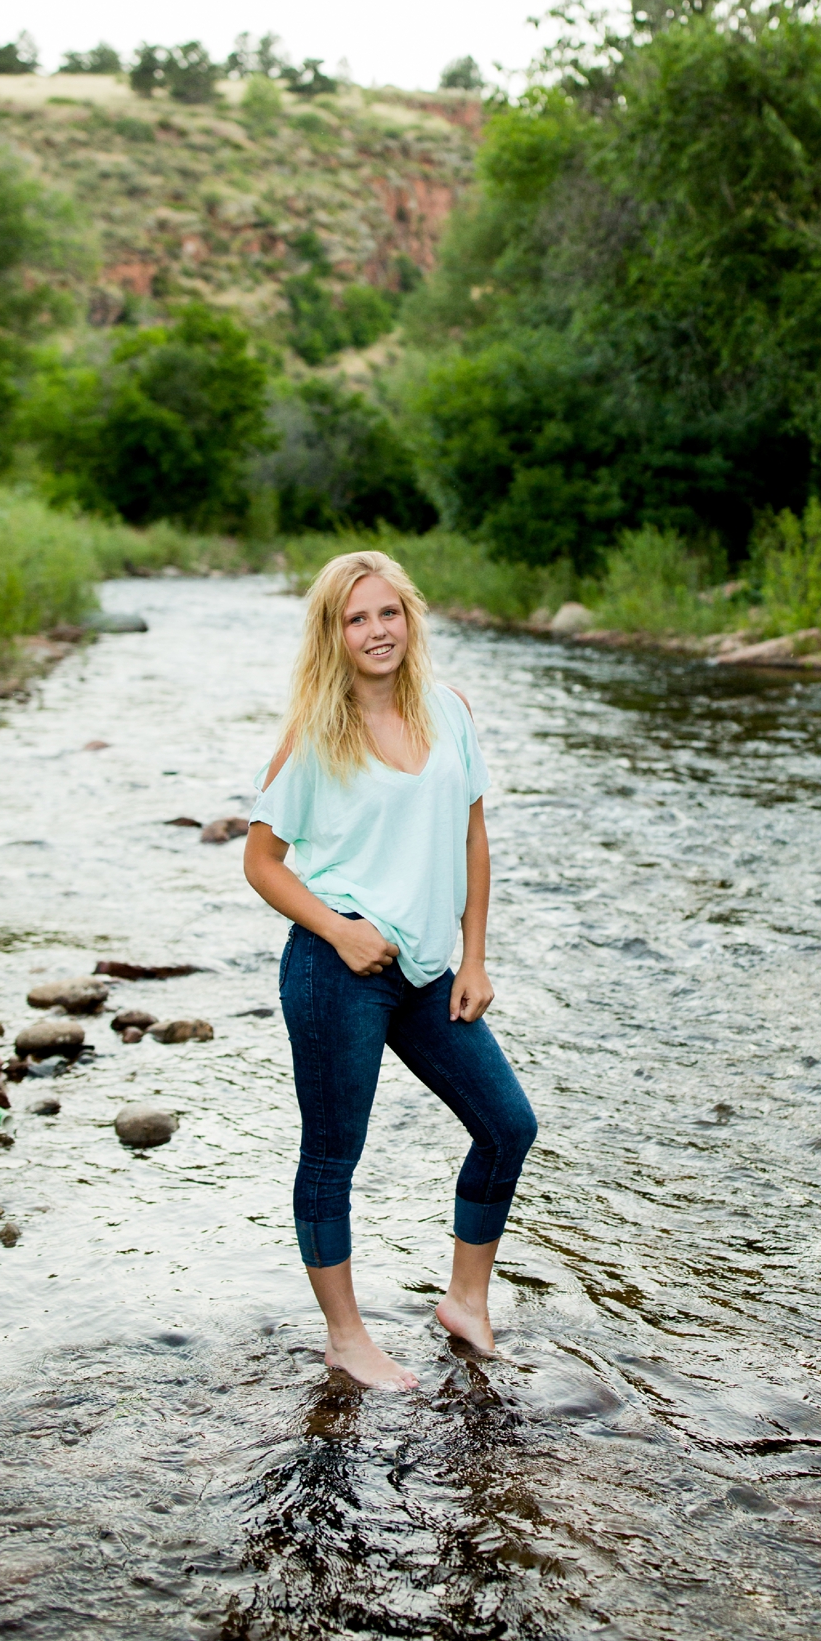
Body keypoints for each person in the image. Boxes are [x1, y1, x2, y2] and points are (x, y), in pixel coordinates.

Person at [242, 551, 537, 1392]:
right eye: (356, 618)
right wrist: (337, 930)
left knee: (507, 1125)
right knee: (334, 1153)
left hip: (429, 970)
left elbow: (473, 838)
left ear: (411, 618)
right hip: (339, 967)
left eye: (388, 613)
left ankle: (465, 1303)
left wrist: (473, 957)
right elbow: (263, 863)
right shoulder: (316, 732)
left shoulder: (450, 712)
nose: (377, 632)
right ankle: (345, 1336)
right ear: (333, 635)